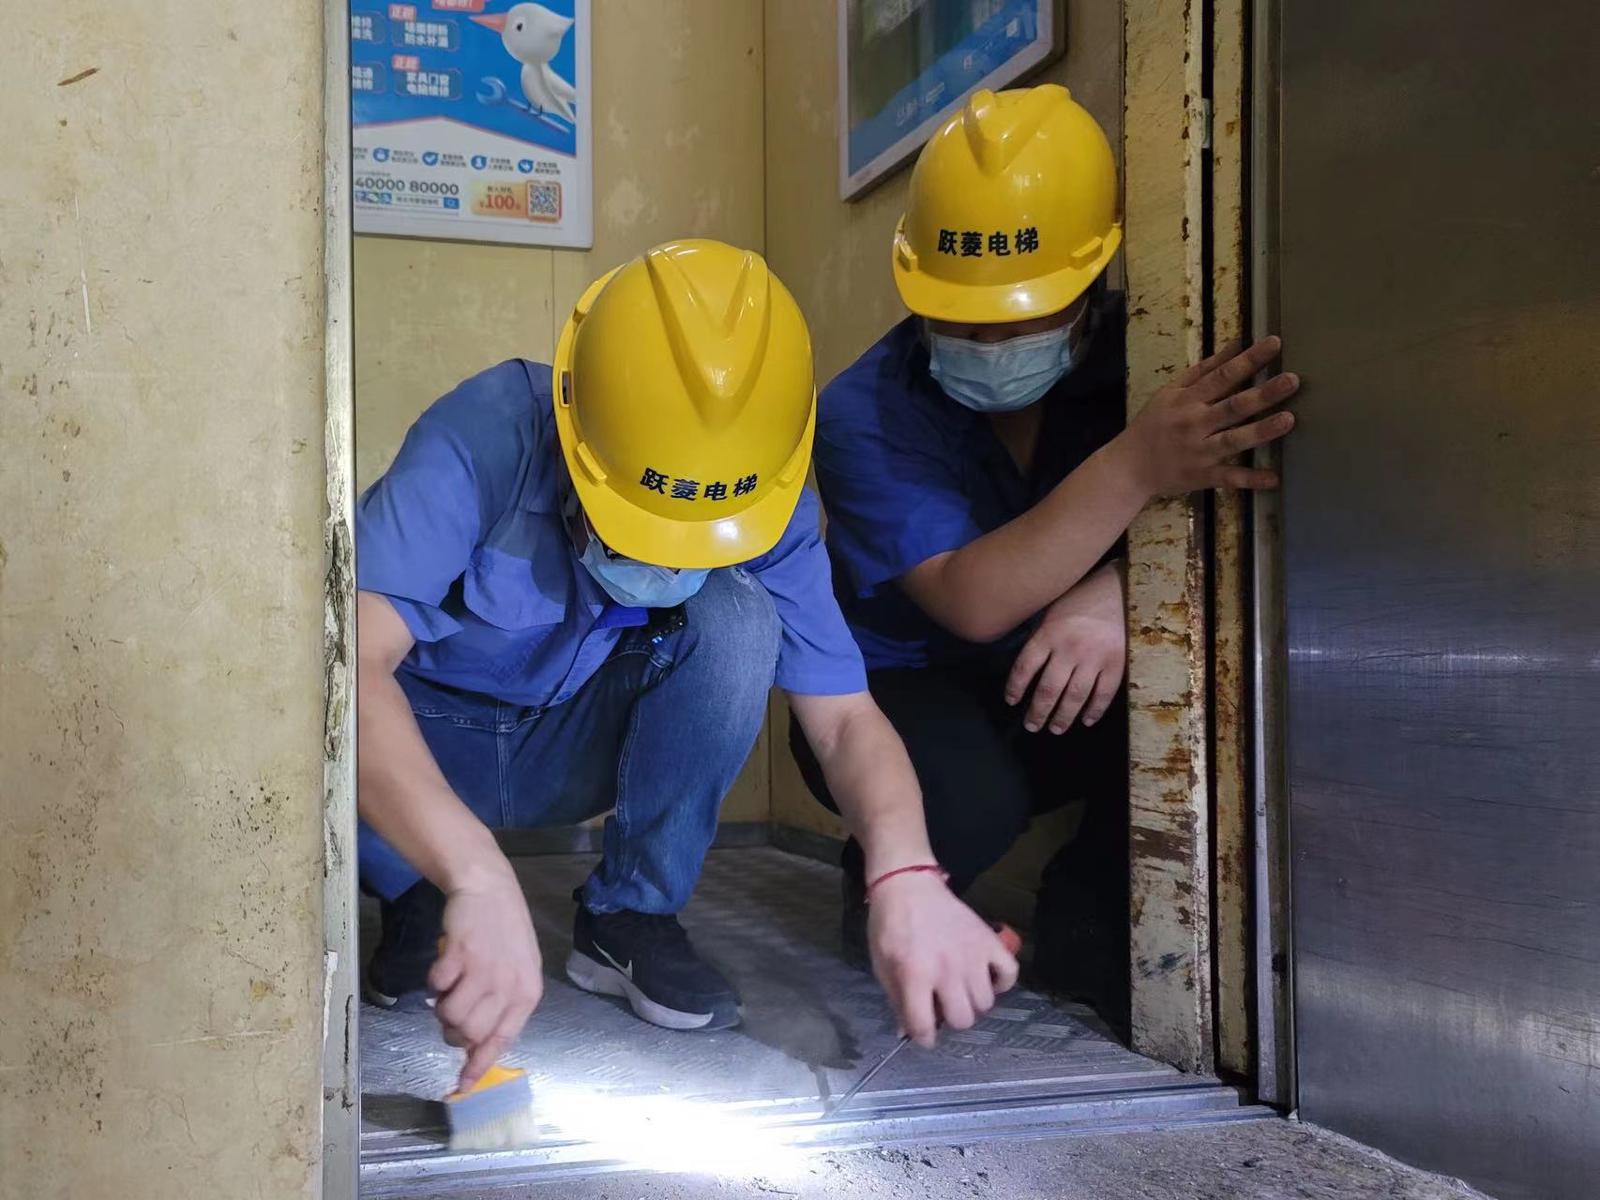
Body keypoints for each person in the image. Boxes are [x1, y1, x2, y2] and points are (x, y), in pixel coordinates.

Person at [356, 239, 1019, 1093]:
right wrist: (475, 874)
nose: (664, 561)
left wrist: (906, 872)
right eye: (634, 524)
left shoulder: (769, 502)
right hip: (427, 747)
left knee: (739, 617)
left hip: (571, 747)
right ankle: (415, 885)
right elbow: (354, 671)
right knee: (317, 682)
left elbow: (845, 718)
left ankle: (628, 916)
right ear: (574, 430)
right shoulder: (483, 433)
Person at [792, 85, 1299, 1023]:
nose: (988, 339)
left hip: (1069, 674)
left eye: (1023, 313)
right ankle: (889, 870)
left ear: (1092, 284)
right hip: (907, 688)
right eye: (959, 315)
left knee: (1199, 701)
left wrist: (1123, 590)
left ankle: (1090, 914)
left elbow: (1239, 513)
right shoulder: (864, 410)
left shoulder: (1151, 361)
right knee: (964, 800)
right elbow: (971, 599)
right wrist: (1138, 464)